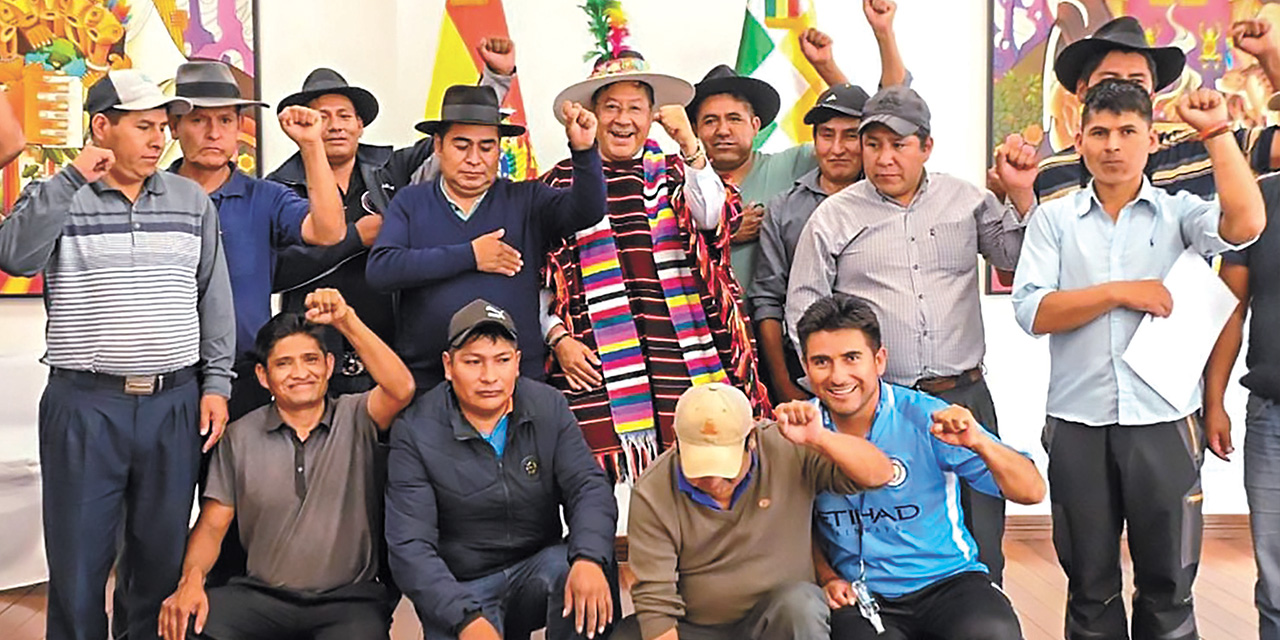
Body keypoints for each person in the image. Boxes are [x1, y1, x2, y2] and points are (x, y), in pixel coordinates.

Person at [1012, 79, 1266, 640]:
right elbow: (1031, 312)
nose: (1113, 146)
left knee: (1169, 585)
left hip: (1165, 423)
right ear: (1079, 141)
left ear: (1151, 140)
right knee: (1089, 585)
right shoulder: (1055, 220)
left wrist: (1218, 132)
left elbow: (1246, 224)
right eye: (1099, 132)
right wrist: (1120, 292)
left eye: (1128, 132)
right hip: (1078, 424)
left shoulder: (1181, 213)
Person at [0, 70, 234, 640]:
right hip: (85, 403)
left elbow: (213, 298)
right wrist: (72, 177)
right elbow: (16, 257)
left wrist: (216, 385)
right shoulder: (58, 194)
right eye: (143, 126)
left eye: (162, 127)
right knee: (79, 565)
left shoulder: (190, 200)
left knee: (157, 561)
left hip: (173, 401)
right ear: (102, 127)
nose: (159, 139)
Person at [786, 84, 1037, 584]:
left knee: (984, 538)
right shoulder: (832, 218)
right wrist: (841, 389)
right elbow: (804, 311)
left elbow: (1016, 261)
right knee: (894, 539)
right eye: (872, 144)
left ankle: (978, 614)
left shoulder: (967, 199)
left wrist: (1022, 193)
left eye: (898, 145)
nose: (883, 158)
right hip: (882, 409)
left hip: (961, 394)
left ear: (926, 146)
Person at [541, 50, 766, 483]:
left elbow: (713, 219)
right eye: (611, 107)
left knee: (703, 474)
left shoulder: (678, 171)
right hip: (594, 363)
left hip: (685, 351)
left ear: (653, 116)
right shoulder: (559, 183)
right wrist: (557, 337)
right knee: (602, 487)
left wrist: (690, 146)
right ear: (591, 114)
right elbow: (541, 276)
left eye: (635, 108)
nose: (623, 120)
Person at [157, 288, 415, 640]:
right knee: (189, 622)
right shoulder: (239, 436)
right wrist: (191, 581)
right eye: (284, 363)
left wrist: (346, 320)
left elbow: (401, 388)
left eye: (310, 360)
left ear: (328, 366)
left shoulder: (357, 415)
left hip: (347, 601)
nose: (300, 373)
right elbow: (213, 526)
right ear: (263, 377)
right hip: (262, 597)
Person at [269, 38, 517, 395]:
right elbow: (275, 272)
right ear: (303, 126)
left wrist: (496, 76)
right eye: (323, 117)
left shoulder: (390, 170)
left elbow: (453, 139)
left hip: (391, 346)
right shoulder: (279, 187)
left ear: (360, 125)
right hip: (312, 351)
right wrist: (355, 237)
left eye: (344, 116)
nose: (336, 126)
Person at [793, 294, 1044, 640]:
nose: (838, 376)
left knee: (993, 633)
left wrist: (980, 442)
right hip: (859, 594)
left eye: (852, 358)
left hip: (948, 581)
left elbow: (1032, 491)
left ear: (879, 360)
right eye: (822, 362)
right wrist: (827, 576)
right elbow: (793, 526)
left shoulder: (927, 417)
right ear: (805, 367)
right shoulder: (800, 432)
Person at [385, 300, 619, 640]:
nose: (489, 377)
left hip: (536, 567)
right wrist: (464, 618)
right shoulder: (415, 429)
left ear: (518, 363)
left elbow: (588, 487)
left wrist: (589, 559)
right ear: (448, 366)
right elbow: (410, 548)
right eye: (473, 362)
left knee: (588, 568)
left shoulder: (549, 405)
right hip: (461, 587)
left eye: (502, 360)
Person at [365, 84, 605, 391]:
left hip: (517, 385)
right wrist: (470, 255)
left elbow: (587, 211)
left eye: (487, 147)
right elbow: (382, 270)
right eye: (461, 146)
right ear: (438, 145)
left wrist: (584, 152)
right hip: (430, 386)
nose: (474, 159)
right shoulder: (412, 202)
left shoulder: (526, 199)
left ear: (499, 149)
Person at [610, 382, 894, 640]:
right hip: (696, 627)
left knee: (802, 604)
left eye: (725, 470)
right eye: (699, 468)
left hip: (778, 619)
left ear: (752, 440)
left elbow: (878, 474)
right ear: (676, 441)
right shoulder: (653, 489)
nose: (713, 482)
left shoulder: (786, 447)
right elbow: (655, 600)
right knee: (629, 634)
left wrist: (819, 438)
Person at [168, 59, 346, 421]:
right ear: (174, 126)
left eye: (225, 120)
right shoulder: (152, 198)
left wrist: (312, 145)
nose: (213, 133)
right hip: (168, 379)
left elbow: (329, 231)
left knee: (243, 478)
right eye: (199, 119)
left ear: (239, 128)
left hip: (245, 374)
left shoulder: (264, 197)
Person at [687, 0, 906, 288]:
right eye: (710, 121)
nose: (723, 130)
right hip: (701, 327)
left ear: (756, 125)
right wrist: (723, 234)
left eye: (734, 119)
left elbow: (877, 123)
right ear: (694, 130)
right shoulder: (676, 182)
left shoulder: (795, 165)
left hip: (782, 323)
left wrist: (834, 63)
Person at [1018, 16, 1280, 204]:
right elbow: (1019, 266)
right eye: (1110, 79)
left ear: (1153, 94)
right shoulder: (1052, 173)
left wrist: (1269, 57)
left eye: (1136, 82)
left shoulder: (1202, 150)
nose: (1123, 91)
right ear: (1083, 90)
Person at [748, 82, 869, 403]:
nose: (837, 148)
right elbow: (767, 300)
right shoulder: (785, 207)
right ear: (814, 141)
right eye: (827, 135)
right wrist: (783, 384)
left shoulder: (886, 202)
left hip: (878, 375)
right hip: (804, 373)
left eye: (850, 136)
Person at [1204, 158, 1280, 639]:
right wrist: (1215, 400)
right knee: (1275, 576)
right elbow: (1229, 312)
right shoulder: (1259, 200)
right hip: (1272, 412)